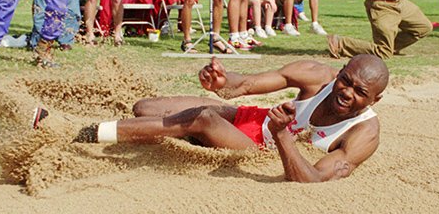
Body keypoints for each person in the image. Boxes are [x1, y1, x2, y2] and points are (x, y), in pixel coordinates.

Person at [35, 54, 389, 183]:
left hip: (262, 150)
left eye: (360, 93)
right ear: (339, 72)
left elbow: (311, 178)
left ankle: (76, 131)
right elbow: (250, 84)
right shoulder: (317, 74)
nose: (347, 93)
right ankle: (188, 134)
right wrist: (224, 83)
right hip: (255, 120)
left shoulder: (364, 133)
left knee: (203, 117)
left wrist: (282, 136)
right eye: (346, 81)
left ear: (376, 99)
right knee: (145, 108)